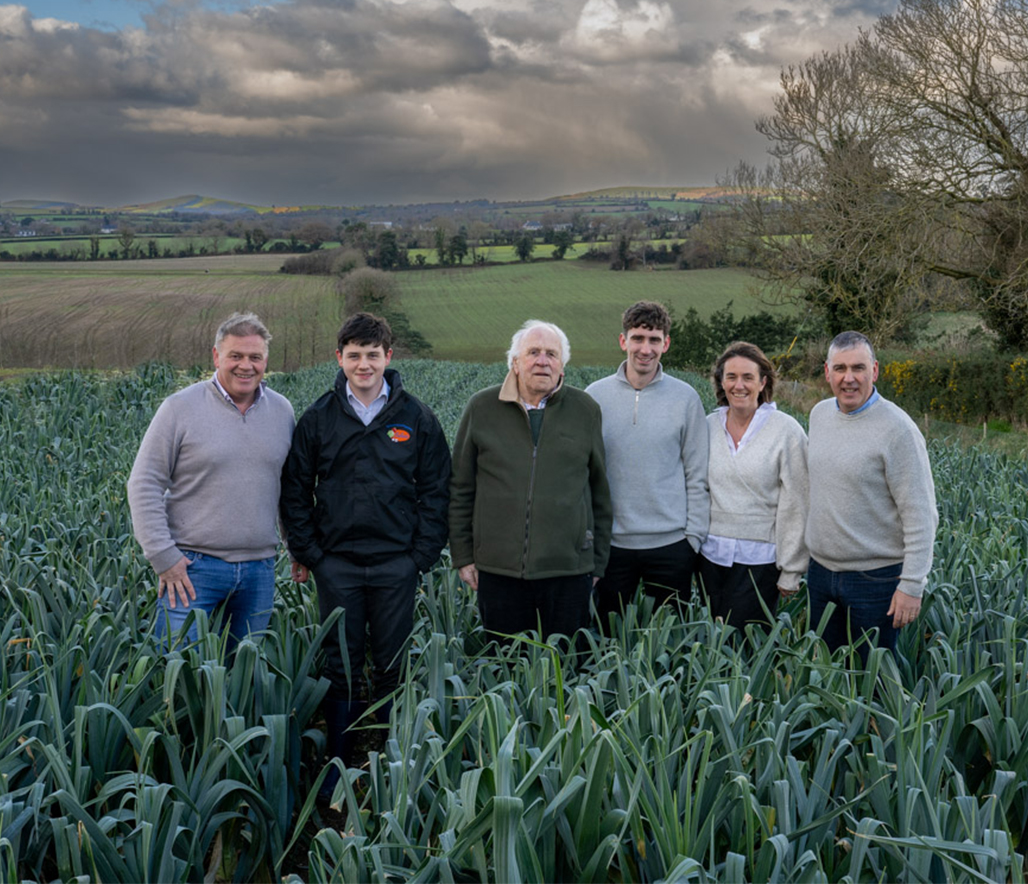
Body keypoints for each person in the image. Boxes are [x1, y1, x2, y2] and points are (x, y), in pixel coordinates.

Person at [279, 312, 451, 801]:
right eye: (353, 354)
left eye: (372, 354)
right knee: (342, 665)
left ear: (388, 358)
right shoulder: (319, 417)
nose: (363, 363)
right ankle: (339, 763)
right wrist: (312, 553)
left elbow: (438, 490)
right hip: (338, 566)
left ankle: (394, 763)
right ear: (340, 358)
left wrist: (419, 556)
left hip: (397, 564)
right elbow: (295, 490)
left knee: (394, 663)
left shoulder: (415, 417)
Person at [127, 311, 295, 649]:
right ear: (216, 355)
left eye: (255, 357)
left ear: (266, 361)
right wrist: (164, 558)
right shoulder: (179, 408)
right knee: (178, 672)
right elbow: (144, 483)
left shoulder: (282, 411)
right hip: (191, 570)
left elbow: (288, 489)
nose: (245, 366)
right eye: (235, 356)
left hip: (259, 571)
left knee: (242, 680)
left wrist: (295, 547)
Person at [449, 319, 612, 644]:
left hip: (568, 570)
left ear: (562, 364)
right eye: (533, 352)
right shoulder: (482, 407)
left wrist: (597, 562)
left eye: (552, 354)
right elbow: (461, 488)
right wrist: (463, 555)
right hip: (499, 571)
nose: (542, 361)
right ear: (515, 362)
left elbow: (599, 491)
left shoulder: (585, 410)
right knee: (505, 667)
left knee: (564, 668)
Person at [806, 330, 938, 661]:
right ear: (827, 372)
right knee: (828, 673)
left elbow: (921, 514)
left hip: (875, 581)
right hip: (820, 574)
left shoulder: (899, 430)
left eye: (858, 368)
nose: (848, 378)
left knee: (874, 680)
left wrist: (911, 585)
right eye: (839, 369)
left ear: (875, 371)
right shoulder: (819, 415)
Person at [585, 301, 708, 627]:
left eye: (654, 340)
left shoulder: (686, 398)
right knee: (607, 642)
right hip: (612, 547)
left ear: (666, 344)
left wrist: (692, 540)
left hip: (670, 546)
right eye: (638, 338)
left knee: (670, 645)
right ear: (623, 341)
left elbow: (697, 472)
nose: (645, 348)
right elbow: (583, 474)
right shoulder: (594, 397)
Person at [699, 342, 809, 632]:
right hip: (709, 558)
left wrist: (792, 569)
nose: (739, 385)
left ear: (763, 382)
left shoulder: (787, 431)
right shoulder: (707, 426)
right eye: (731, 377)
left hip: (760, 563)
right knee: (710, 644)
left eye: (748, 377)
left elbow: (798, 502)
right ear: (721, 382)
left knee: (744, 650)